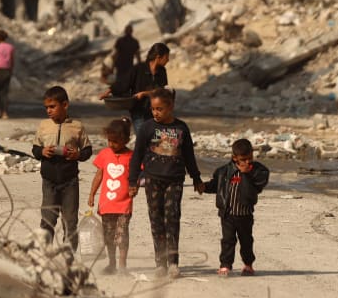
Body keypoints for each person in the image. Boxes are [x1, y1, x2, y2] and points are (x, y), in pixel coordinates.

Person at [128, 88, 204, 279]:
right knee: (156, 221)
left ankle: (173, 263)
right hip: (153, 179)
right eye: (153, 109)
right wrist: (133, 180)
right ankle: (160, 263)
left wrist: (196, 177)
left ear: (171, 107)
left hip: (175, 180)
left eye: (160, 109)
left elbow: (189, 155)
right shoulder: (146, 128)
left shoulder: (181, 128)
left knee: (172, 219)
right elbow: (137, 156)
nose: (156, 113)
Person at [31, 85, 92, 249]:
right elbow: (35, 149)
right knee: (48, 219)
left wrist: (77, 155)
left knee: (70, 220)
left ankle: (69, 256)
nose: (48, 111)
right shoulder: (44, 125)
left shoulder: (77, 127)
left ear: (65, 105)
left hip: (69, 181)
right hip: (49, 181)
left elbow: (87, 150)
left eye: (52, 107)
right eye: (46, 108)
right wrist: (42, 151)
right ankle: (44, 252)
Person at [203, 138, 270, 277]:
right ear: (234, 158)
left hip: (245, 215)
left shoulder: (258, 171)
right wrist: (202, 186)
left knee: (246, 241)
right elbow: (215, 185)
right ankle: (225, 266)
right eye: (243, 159)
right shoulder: (223, 171)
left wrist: (246, 174)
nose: (247, 162)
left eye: (249, 158)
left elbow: (256, 188)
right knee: (228, 240)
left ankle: (248, 265)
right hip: (228, 214)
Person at [88, 117, 134, 275]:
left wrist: (135, 187)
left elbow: (138, 176)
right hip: (106, 204)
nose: (112, 145)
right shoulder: (104, 154)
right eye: (109, 141)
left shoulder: (131, 156)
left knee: (121, 236)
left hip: (124, 205)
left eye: (115, 141)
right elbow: (99, 175)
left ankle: (122, 265)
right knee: (108, 236)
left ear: (126, 140)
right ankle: (112, 264)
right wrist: (92, 194)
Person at [102, 42, 169, 135]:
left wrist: (144, 93)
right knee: (142, 138)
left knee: (154, 140)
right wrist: (109, 91)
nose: (168, 60)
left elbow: (161, 91)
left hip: (156, 113)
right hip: (139, 111)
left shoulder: (162, 72)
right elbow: (124, 83)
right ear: (158, 57)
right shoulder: (138, 69)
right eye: (166, 57)